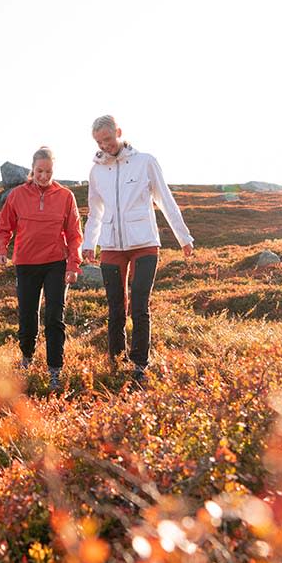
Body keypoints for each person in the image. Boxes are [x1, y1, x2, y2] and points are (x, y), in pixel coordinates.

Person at [82, 115, 194, 385]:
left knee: (140, 305)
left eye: (108, 139)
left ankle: (140, 364)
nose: (105, 145)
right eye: (99, 141)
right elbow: (95, 213)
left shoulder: (145, 162)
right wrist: (88, 243)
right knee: (115, 308)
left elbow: (165, 200)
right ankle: (116, 361)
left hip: (144, 243)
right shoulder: (96, 171)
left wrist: (184, 237)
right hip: (111, 246)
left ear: (118, 132)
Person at [0, 146, 83, 391]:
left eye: (48, 171)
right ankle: (27, 358)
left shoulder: (65, 196)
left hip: (56, 263)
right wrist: (1, 250)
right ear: (32, 170)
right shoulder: (17, 195)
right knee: (27, 316)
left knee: (55, 317)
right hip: (26, 264)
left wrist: (73, 265)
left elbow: (75, 234)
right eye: (40, 171)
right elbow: (3, 227)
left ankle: (55, 370)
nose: (44, 176)